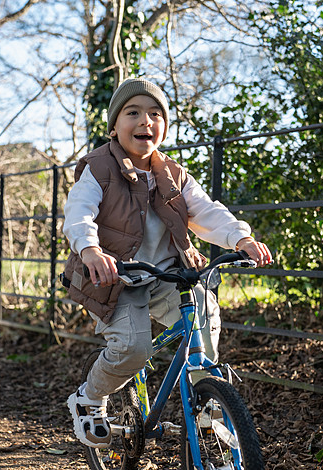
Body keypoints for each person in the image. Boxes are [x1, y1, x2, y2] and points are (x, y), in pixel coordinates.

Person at [63, 77, 273, 448]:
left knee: (204, 321)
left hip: (167, 274)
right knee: (133, 348)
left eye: (155, 114)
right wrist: (90, 250)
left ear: (164, 126)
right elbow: (79, 213)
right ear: (114, 126)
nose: (146, 121)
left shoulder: (173, 174)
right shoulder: (97, 167)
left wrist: (241, 237)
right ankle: (90, 398)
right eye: (133, 113)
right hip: (116, 277)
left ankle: (207, 404)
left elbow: (206, 211)